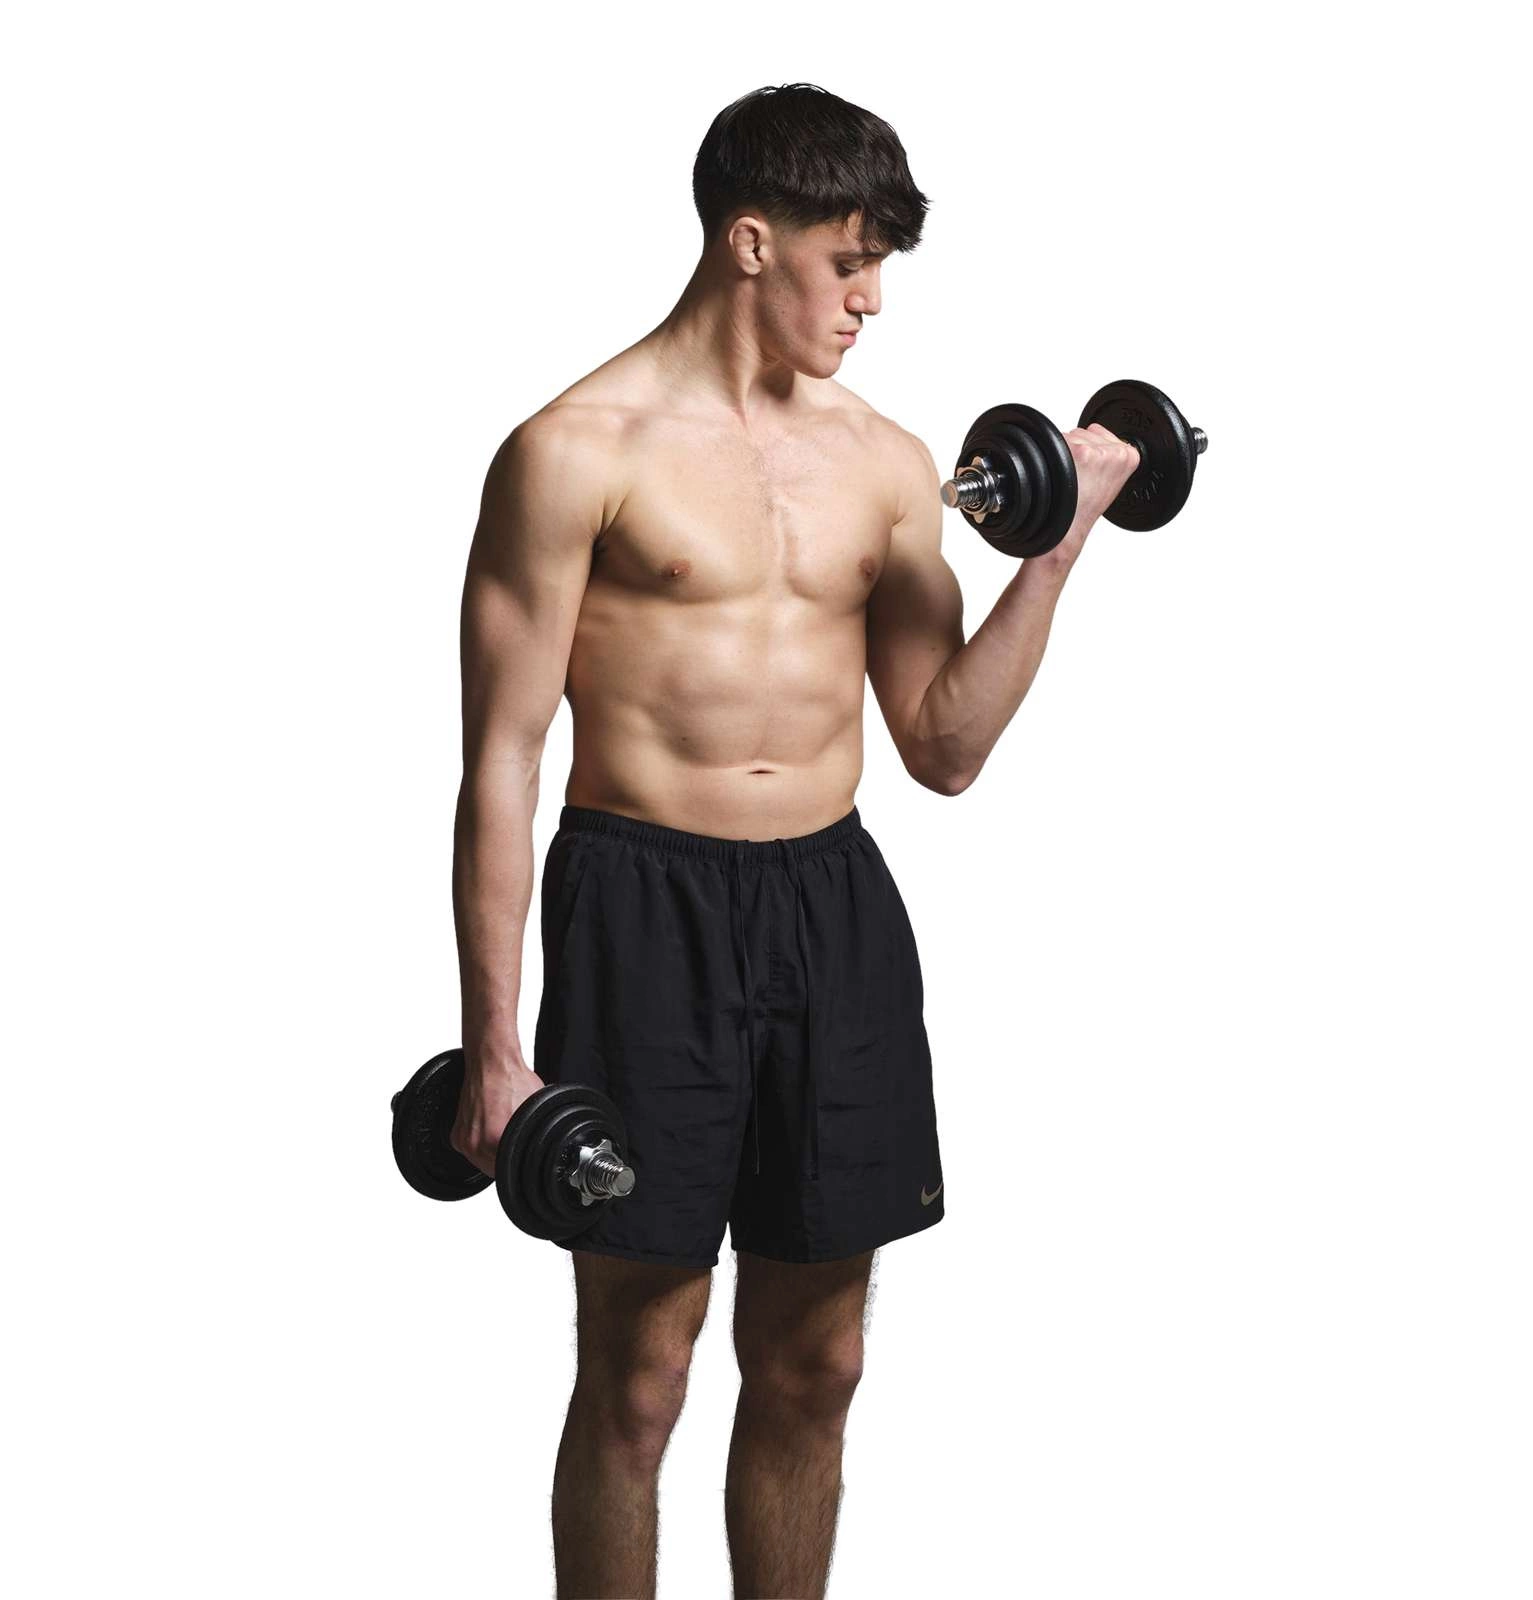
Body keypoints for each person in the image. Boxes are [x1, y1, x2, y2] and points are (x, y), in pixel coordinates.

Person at [447, 81, 1139, 1600]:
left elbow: (944, 745)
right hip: (644, 908)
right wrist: (496, 1050)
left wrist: (1056, 549)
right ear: (750, 243)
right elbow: (503, 760)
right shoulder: (572, 450)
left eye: (879, 266)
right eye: (849, 262)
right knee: (640, 1373)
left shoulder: (888, 465)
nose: (870, 299)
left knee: (818, 1362)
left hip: (832, 909)